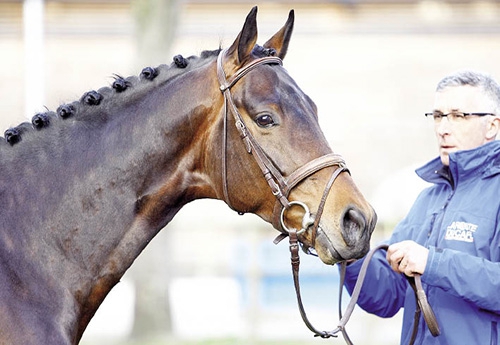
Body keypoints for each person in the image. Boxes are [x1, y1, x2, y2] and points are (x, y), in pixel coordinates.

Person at [343, 70, 500, 344]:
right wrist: (350, 253)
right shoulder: (427, 200)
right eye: (438, 116)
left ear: (492, 126)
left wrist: (433, 263)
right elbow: (386, 297)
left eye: (458, 115)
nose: (443, 128)